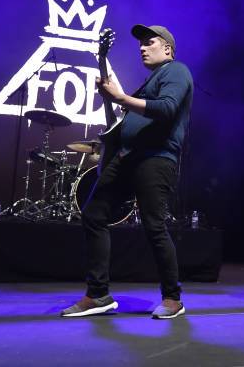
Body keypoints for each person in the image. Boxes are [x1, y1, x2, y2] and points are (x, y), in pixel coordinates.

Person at [61, 25, 193, 319]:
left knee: (153, 226)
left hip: (156, 158)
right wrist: (114, 101)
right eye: (140, 45)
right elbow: (127, 122)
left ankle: (173, 298)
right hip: (127, 157)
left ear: (168, 49)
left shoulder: (177, 71)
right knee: (94, 214)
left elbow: (167, 108)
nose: (142, 48)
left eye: (150, 43)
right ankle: (97, 295)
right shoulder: (149, 82)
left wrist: (121, 98)